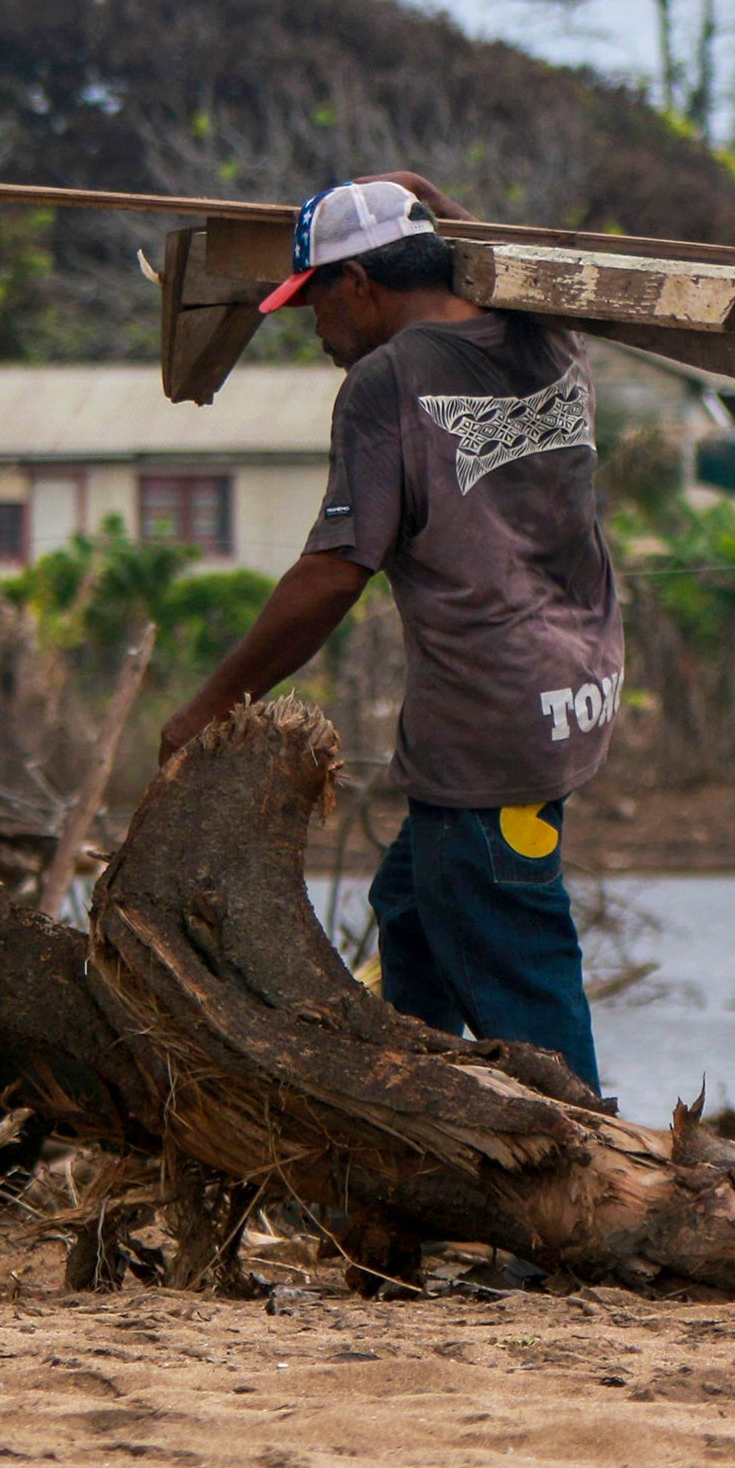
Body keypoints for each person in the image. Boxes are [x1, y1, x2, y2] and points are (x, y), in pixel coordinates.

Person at [157, 174, 620, 1094]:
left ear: (361, 287)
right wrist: (417, 190)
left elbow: (333, 572)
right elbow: (474, 248)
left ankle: (580, 1198)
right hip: (573, 694)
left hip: (486, 725)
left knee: (524, 984)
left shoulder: (388, 382)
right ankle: (412, 1146)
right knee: (412, 908)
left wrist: (208, 708)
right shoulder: (549, 336)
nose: (317, 329)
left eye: (317, 303)